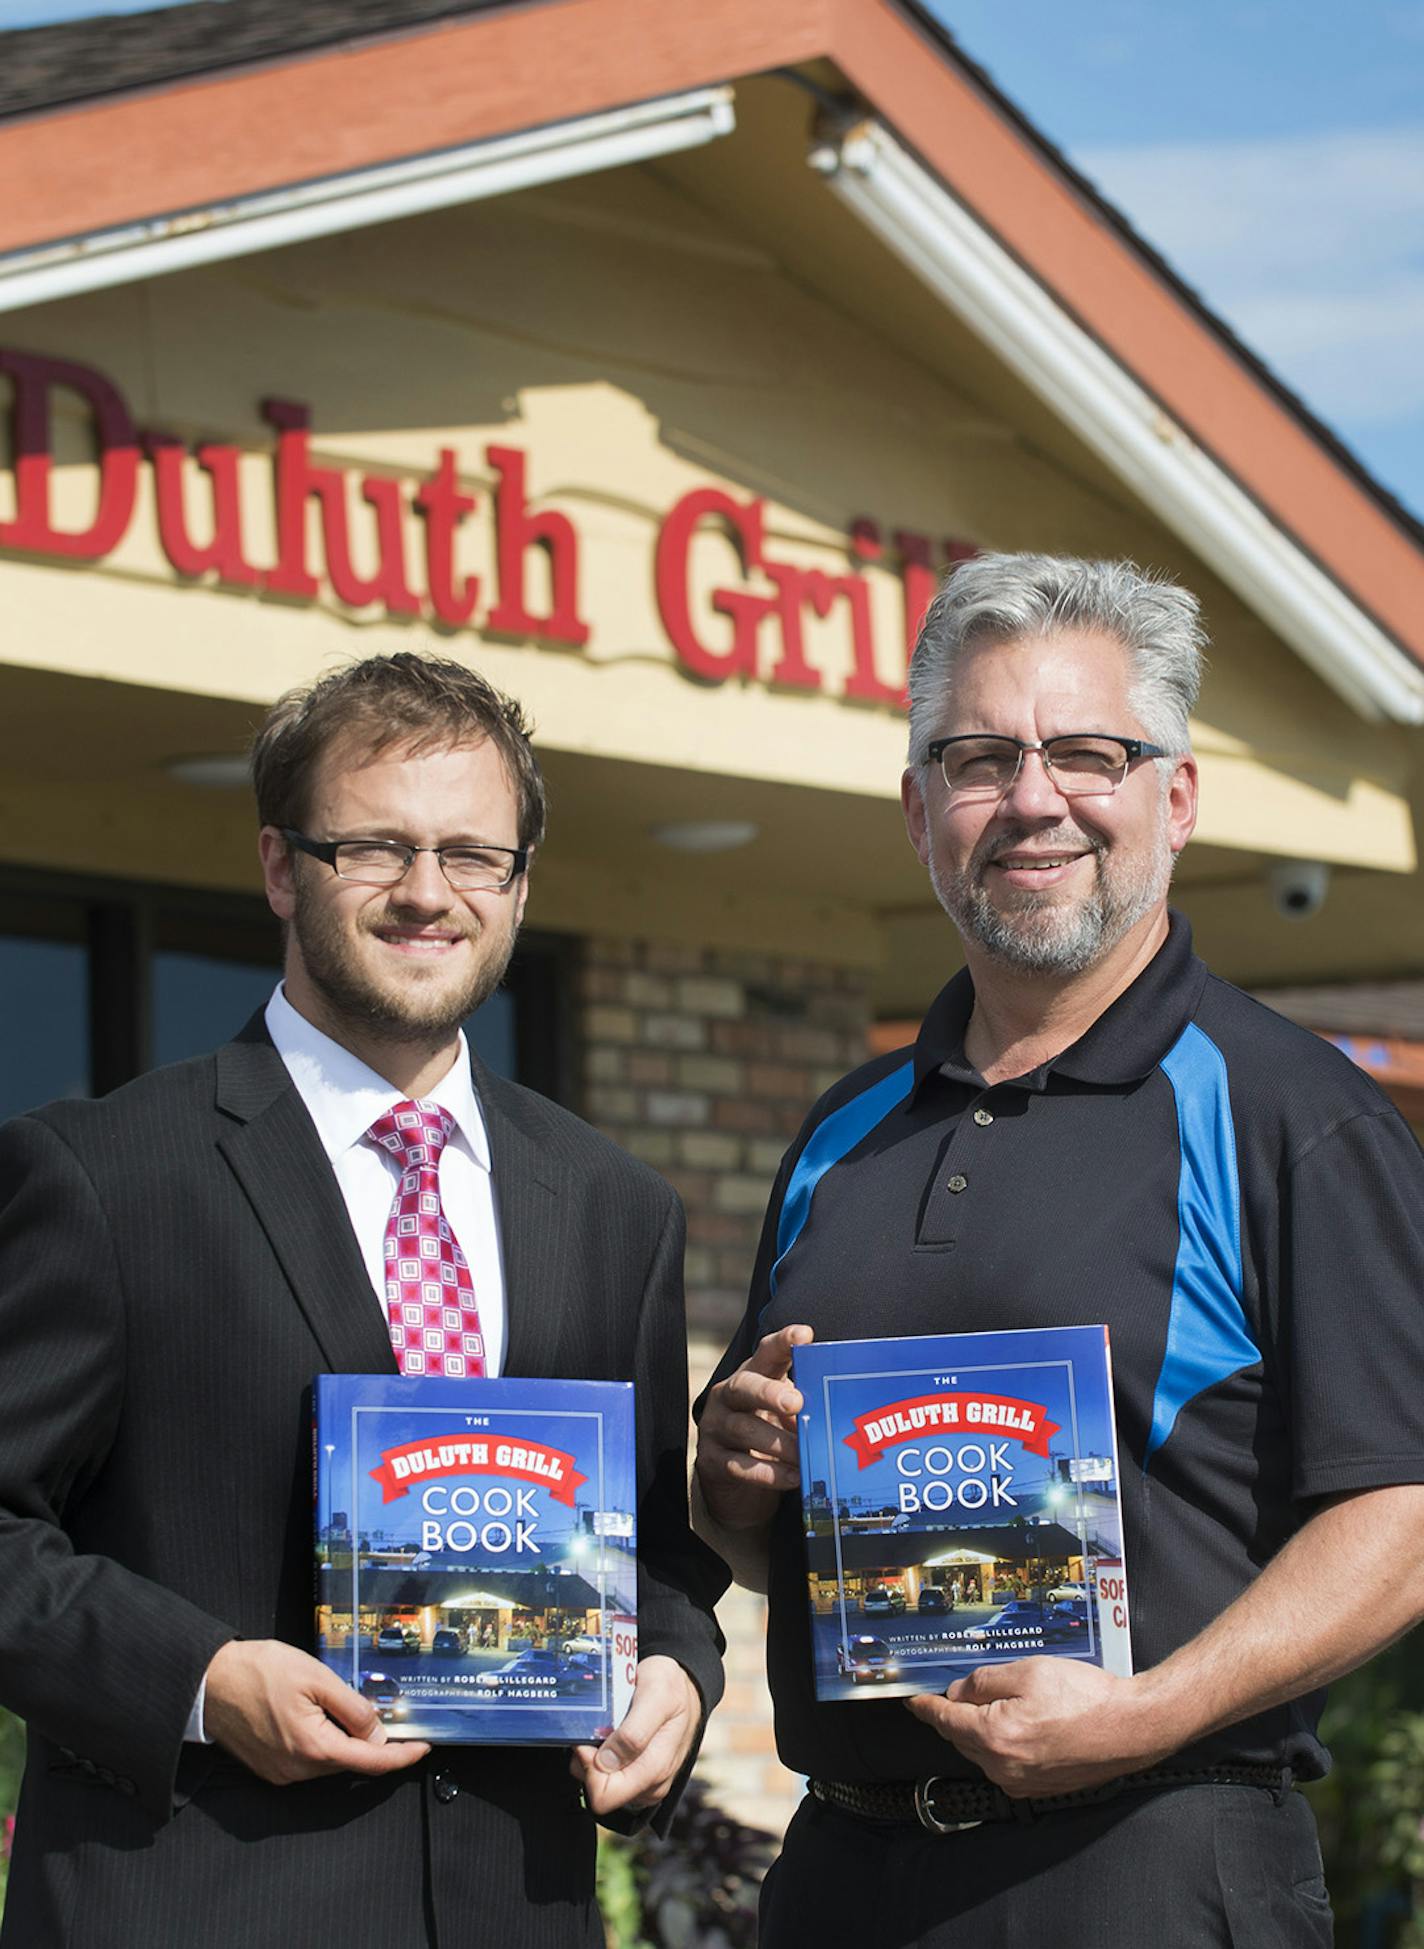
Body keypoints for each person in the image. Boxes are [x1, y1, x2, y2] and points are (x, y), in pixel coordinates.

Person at [693, 554, 1424, 1948]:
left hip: (1148, 1868)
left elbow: (1404, 1511)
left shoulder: (1286, 1113)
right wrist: (730, 1474)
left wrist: (1146, 1708)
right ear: (920, 812)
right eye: (981, 758)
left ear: (1178, 796)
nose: (1034, 798)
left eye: (1089, 753)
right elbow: (759, 1537)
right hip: (842, 1874)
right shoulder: (844, 1131)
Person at [0, 652, 724, 1948]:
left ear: (518, 882)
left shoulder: (615, 1206)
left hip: (517, 1906)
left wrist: (677, 1672)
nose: (427, 892)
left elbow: (659, 1558)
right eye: (375, 847)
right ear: (282, 866)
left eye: (471, 853)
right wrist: (201, 1680)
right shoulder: (107, 1174)